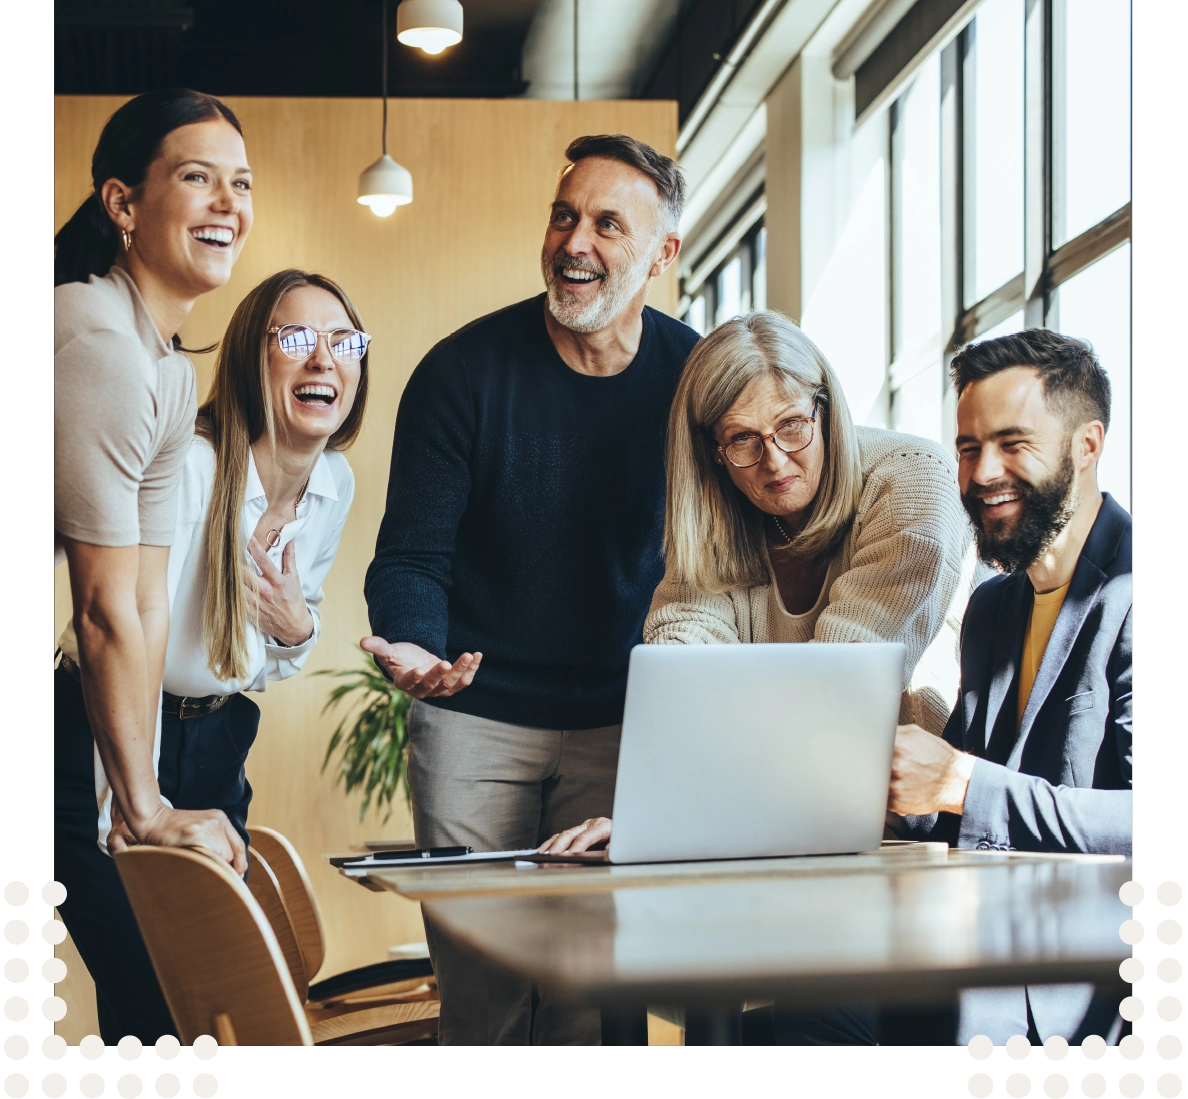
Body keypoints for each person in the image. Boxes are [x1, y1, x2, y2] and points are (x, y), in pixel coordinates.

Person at [362, 134, 695, 1047]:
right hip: (476, 718)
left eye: (606, 224)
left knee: (595, 996)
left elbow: (724, 561)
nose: (574, 241)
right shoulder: (460, 373)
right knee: (486, 997)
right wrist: (416, 644)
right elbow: (411, 557)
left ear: (662, 255)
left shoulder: (695, 380)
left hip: (626, 723)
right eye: (563, 215)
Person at [541, 310, 972, 858]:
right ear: (712, 454)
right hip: (778, 814)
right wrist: (654, 819)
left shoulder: (913, 482)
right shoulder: (715, 519)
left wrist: (677, 817)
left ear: (826, 407)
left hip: (926, 826)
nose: (774, 461)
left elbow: (838, 694)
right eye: (742, 439)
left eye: (792, 425)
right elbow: (686, 682)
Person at [53, 88, 253, 1044]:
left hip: (65, 715)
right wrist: (141, 809)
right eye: (197, 177)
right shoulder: (94, 342)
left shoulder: (168, 370)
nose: (228, 203)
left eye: (241, 183)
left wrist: (149, 799)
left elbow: (143, 595)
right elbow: (98, 612)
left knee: (164, 991)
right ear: (123, 205)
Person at [886, 328, 1131, 1045]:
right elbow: (954, 803)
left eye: (1012, 442)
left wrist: (962, 783)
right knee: (797, 1014)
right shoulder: (994, 605)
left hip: (1096, 971)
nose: (982, 470)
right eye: (967, 447)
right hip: (989, 936)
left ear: (1087, 445)